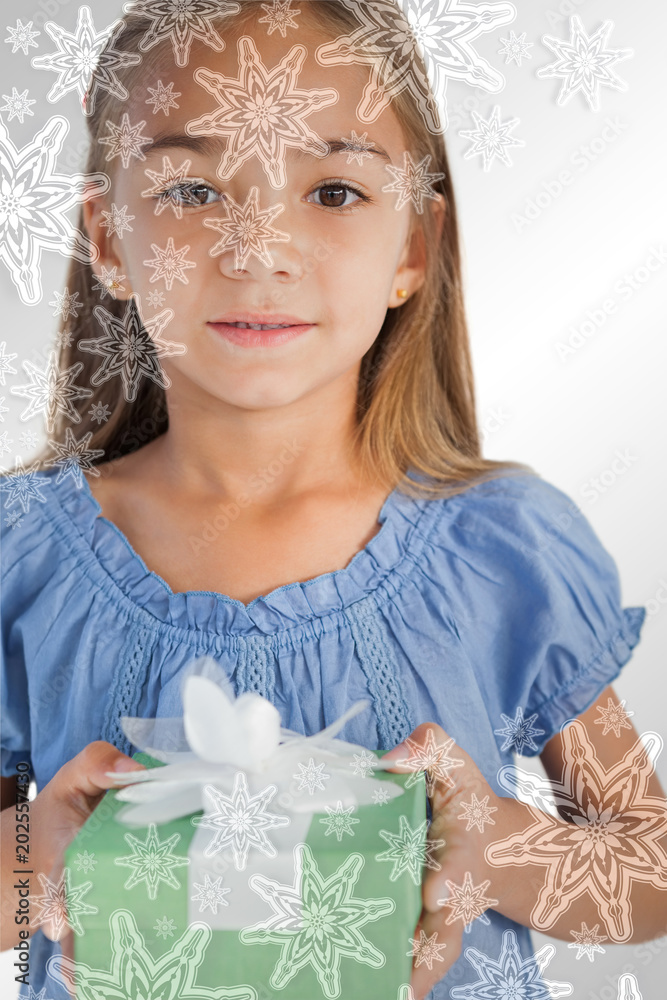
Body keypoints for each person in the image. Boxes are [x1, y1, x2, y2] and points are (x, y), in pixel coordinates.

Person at [1, 2, 665, 998]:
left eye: (334, 189)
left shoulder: (502, 549)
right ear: (109, 237)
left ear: (413, 247)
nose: (259, 247)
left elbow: (649, 871)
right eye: (191, 187)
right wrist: (31, 858)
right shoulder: (24, 555)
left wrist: (500, 849)